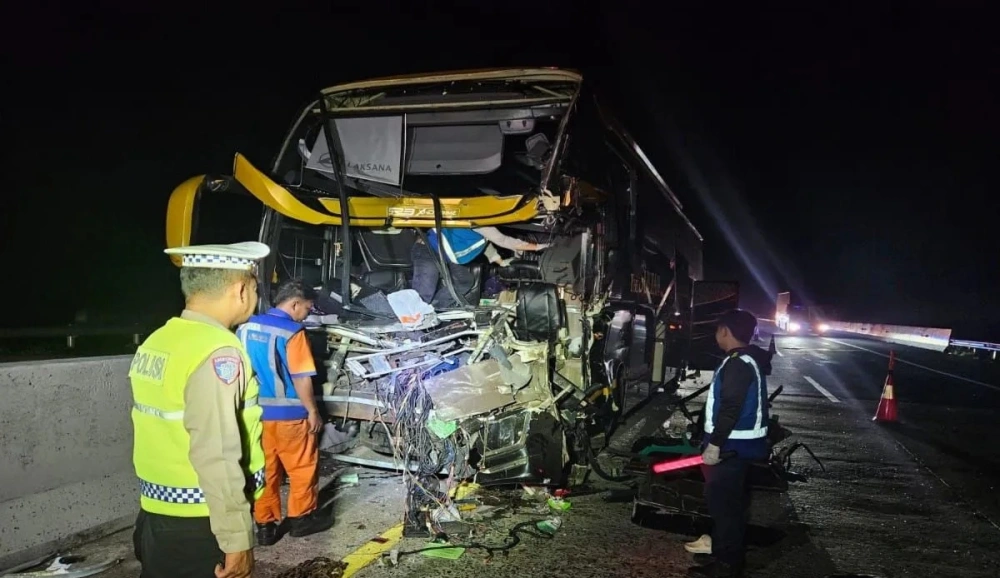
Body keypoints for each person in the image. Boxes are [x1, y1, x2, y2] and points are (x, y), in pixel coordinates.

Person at [130, 241, 270, 578]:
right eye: (254, 288)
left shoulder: (159, 340)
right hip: (202, 523)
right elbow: (217, 451)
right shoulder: (218, 351)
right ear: (240, 290)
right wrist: (236, 539)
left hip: (156, 516)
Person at [237, 278, 332, 545]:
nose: (306, 315)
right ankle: (302, 520)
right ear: (295, 304)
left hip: (255, 416)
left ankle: (265, 526)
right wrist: (312, 410)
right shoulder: (293, 332)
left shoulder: (245, 327)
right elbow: (302, 378)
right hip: (291, 417)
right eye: (307, 309)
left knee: (264, 469)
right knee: (302, 468)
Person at [688, 309, 772, 578]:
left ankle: (726, 566)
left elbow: (730, 407)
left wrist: (715, 444)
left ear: (724, 331)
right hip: (739, 445)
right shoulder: (745, 360)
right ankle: (725, 557)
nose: (716, 335)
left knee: (724, 507)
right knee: (729, 505)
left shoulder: (737, 363)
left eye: (717, 330)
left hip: (731, 447)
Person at [411, 226, 548, 305]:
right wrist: (538, 247)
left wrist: (501, 262)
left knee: (465, 281)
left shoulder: (484, 227)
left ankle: (435, 308)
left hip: (446, 255)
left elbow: (485, 244)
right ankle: (409, 326)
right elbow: (504, 240)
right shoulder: (480, 219)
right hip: (428, 249)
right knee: (424, 291)